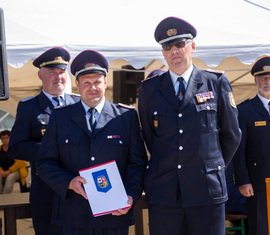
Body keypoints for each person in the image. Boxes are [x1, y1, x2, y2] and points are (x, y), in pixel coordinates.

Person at [138, 16, 241, 235]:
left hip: (206, 189)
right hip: (166, 191)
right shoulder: (149, 90)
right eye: (167, 47)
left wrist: (211, 165)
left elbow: (231, 134)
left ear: (192, 46)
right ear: (163, 53)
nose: (174, 51)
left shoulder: (215, 82)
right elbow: (149, 136)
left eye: (179, 44)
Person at [37, 49, 147, 235]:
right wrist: (69, 182)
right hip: (73, 215)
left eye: (97, 82)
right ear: (77, 85)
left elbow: (137, 164)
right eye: (86, 83)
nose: (92, 87)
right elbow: (45, 163)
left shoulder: (125, 117)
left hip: (114, 215)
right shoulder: (60, 118)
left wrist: (130, 196)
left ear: (106, 82)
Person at [8, 47, 80, 235]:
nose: (58, 77)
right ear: (40, 74)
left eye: (62, 72)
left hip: (79, 191)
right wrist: (52, 150)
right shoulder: (29, 107)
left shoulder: (78, 103)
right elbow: (16, 147)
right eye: (52, 72)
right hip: (47, 192)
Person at [233, 56, 270, 235]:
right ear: (255, 80)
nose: (267, 81)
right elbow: (239, 150)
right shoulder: (245, 111)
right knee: (260, 229)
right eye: (263, 77)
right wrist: (243, 180)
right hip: (258, 183)